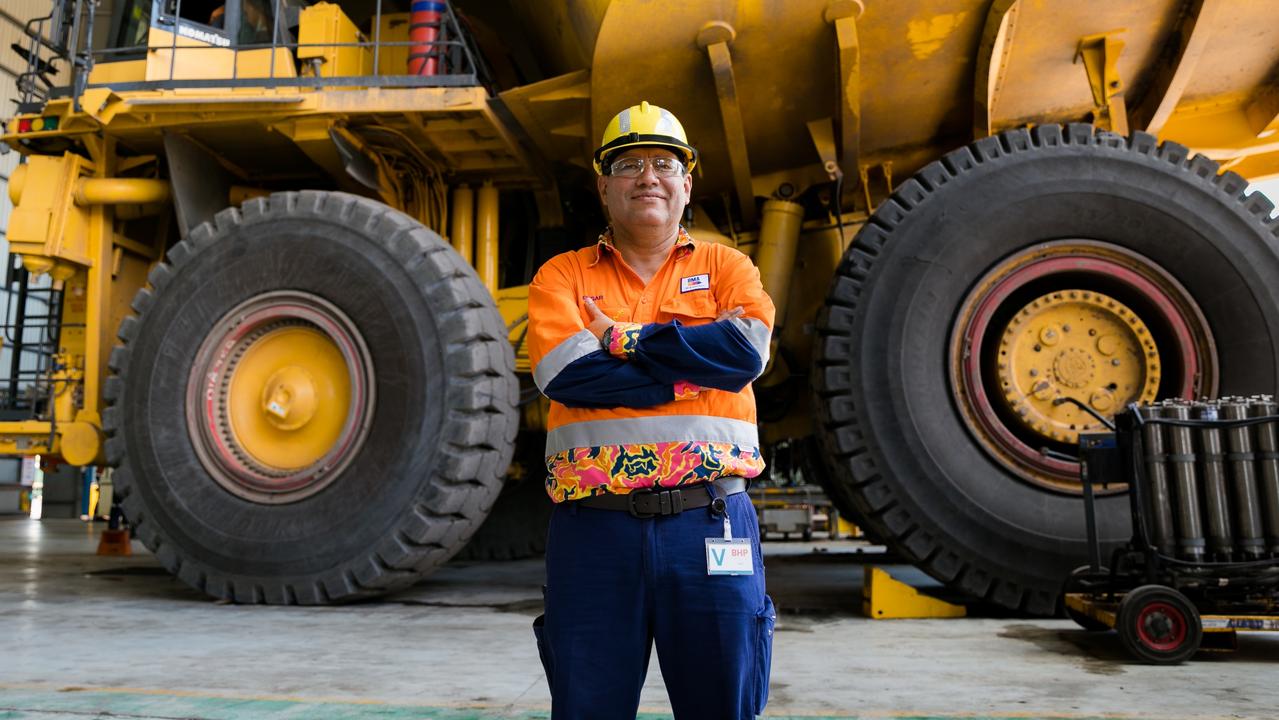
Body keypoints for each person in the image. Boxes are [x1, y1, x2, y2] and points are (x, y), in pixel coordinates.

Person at [528, 101, 777, 720]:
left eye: (664, 164)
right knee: (588, 708)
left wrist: (629, 341)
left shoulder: (727, 267)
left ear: (686, 185)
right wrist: (690, 371)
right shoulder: (561, 275)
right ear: (604, 187)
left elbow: (745, 352)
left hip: (710, 523)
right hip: (594, 534)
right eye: (629, 164)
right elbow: (568, 374)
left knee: (723, 705)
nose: (648, 177)